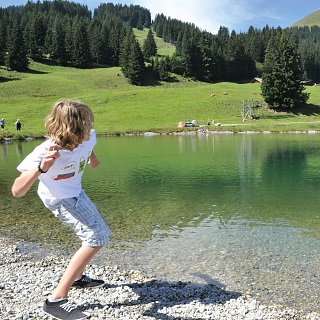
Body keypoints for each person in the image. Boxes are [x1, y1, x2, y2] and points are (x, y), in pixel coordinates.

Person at [11, 99, 112, 320]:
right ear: (72, 128)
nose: (91, 126)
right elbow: (17, 191)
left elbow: (89, 150)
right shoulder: (46, 151)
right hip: (59, 198)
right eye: (86, 122)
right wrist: (40, 168)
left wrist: (93, 160)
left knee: (96, 234)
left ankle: (78, 278)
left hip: (76, 192)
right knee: (97, 237)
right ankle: (55, 301)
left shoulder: (88, 137)